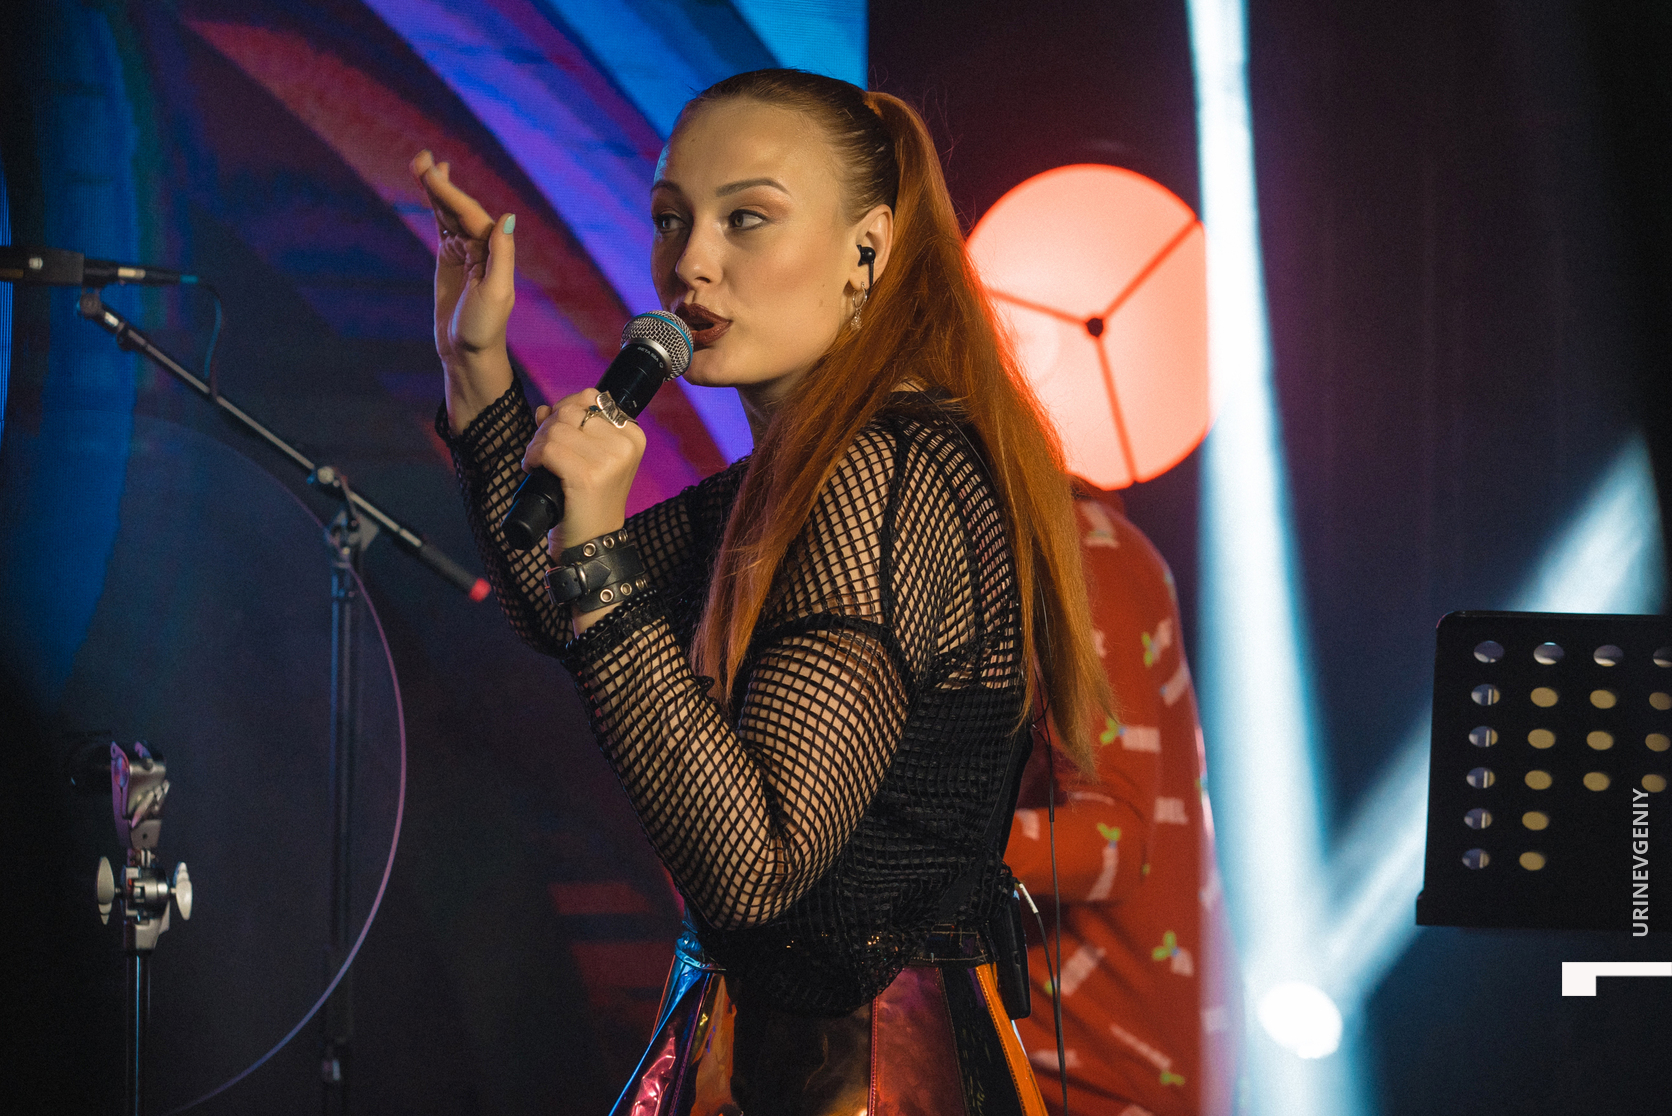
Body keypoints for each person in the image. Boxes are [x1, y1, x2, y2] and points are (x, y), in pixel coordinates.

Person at [417, 67, 1112, 1114]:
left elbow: (756, 866)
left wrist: (598, 548)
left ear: (867, 248)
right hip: (779, 1061)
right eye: (671, 218)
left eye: (747, 218)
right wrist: (476, 365)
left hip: (864, 1076)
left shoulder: (883, 472)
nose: (690, 263)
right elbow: (555, 604)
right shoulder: (806, 469)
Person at [1008, 486, 1241, 1116]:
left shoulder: (1087, 547)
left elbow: (1114, 836)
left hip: (1106, 1079)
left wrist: (906, 844)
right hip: (1044, 1062)